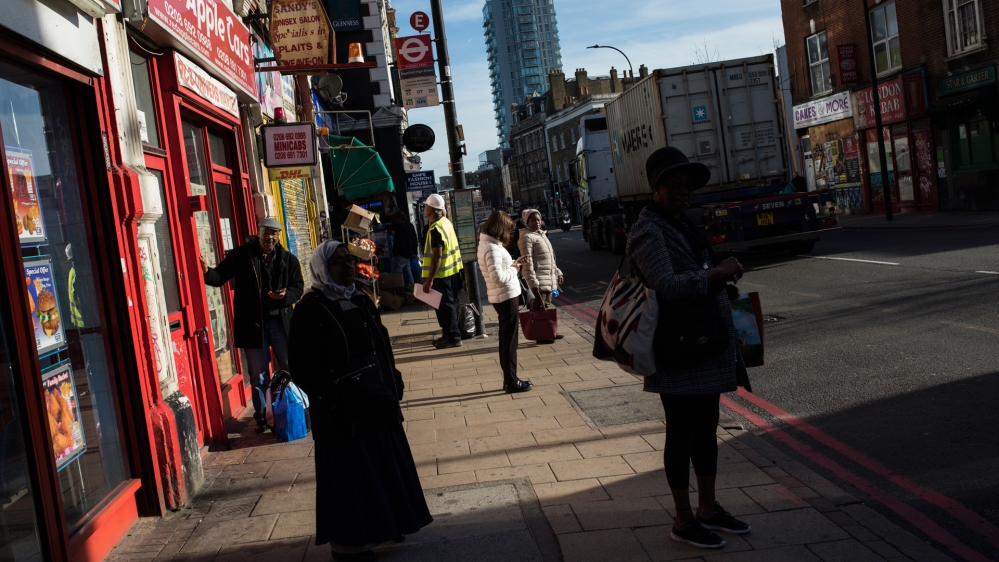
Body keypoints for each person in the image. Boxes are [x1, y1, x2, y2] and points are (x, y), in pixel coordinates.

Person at [627, 147, 752, 549]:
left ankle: (708, 508)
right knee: (681, 433)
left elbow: (692, 275)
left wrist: (719, 276)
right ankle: (682, 519)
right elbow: (667, 286)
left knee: (706, 430)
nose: (684, 192)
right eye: (674, 185)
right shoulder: (649, 230)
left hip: (705, 340)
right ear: (656, 188)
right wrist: (717, 272)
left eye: (688, 186)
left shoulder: (679, 223)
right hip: (678, 345)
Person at [289, 240, 432, 561]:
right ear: (323, 269)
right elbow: (301, 366)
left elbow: (380, 344)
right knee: (352, 478)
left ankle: (390, 524)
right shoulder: (311, 308)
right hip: (342, 414)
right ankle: (348, 545)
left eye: (349, 260)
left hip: (376, 400)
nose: (348, 266)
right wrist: (333, 396)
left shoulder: (360, 298)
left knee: (383, 466)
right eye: (338, 262)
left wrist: (392, 380)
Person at [201, 217, 304, 434]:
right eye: (267, 232)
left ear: (279, 236)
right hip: (254, 324)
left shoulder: (288, 259)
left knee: (289, 366)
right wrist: (205, 271)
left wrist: (285, 296)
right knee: (258, 375)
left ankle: (294, 408)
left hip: (280, 323)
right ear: (258, 232)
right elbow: (219, 277)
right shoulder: (241, 256)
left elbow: (298, 287)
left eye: (274, 233)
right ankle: (262, 417)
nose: (270, 237)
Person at [477, 212, 533, 393]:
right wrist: (515, 269)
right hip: (505, 297)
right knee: (510, 342)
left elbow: (500, 269)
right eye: (508, 230)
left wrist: (514, 263)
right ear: (500, 229)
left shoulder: (489, 244)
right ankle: (511, 381)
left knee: (506, 339)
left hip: (503, 295)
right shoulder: (492, 248)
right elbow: (498, 277)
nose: (509, 234)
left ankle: (510, 378)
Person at [421, 194, 464, 349]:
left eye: (426, 207)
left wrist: (430, 279)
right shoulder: (445, 222)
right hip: (452, 271)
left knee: (446, 306)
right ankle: (447, 335)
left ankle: (453, 337)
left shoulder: (435, 229)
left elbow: (437, 256)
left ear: (431, 210)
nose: (424, 210)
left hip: (441, 275)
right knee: (445, 305)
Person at [518, 208, 564, 344]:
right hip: (538, 279)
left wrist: (557, 272)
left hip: (548, 278)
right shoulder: (526, 238)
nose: (537, 222)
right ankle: (541, 335)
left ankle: (548, 331)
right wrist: (532, 283)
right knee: (538, 308)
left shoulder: (542, 235)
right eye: (533, 220)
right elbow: (527, 263)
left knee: (546, 306)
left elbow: (550, 259)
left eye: (538, 219)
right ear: (527, 222)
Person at [390, 213, 419, 291]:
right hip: (408, 253)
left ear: (400, 218)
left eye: (396, 218)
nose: (395, 220)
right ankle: (412, 289)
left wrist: (397, 251)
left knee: (397, 273)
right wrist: (414, 251)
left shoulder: (400, 228)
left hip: (401, 254)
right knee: (407, 270)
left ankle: (399, 291)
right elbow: (414, 239)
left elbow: (401, 242)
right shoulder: (409, 225)